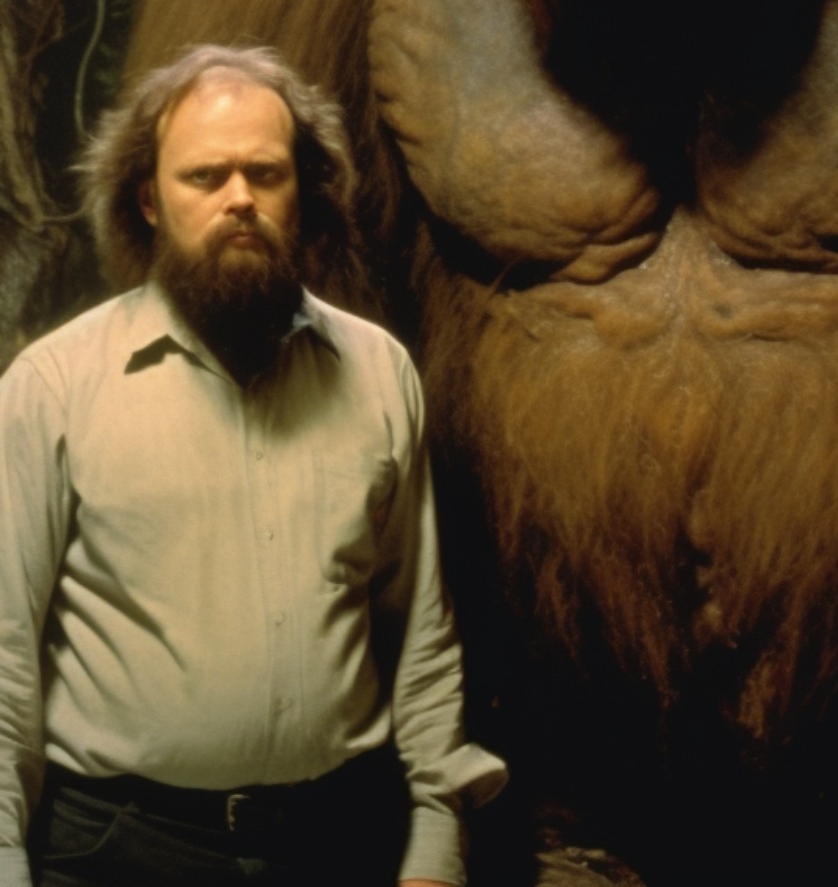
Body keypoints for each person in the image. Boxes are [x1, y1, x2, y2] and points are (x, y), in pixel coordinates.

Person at [0, 45, 506, 887]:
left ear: (303, 191)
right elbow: (4, 651)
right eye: (205, 177)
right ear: (150, 201)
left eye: (265, 173)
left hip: (339, 843)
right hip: (116, 851)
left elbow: (420, 627)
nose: (239, 198)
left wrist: (435, 837)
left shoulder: (379, 372)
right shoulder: (52, 387)